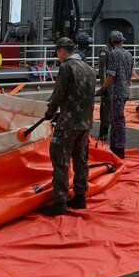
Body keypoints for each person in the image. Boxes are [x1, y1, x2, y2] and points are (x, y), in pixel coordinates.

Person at [43, 36, 94, 216]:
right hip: (86, 122)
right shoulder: (89, 69)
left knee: (61, 161)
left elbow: (58, 94)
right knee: (81, 160)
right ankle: (80, 198)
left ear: (62, 51)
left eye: (57, 53)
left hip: (68, 123)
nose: (58, 56)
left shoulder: (66, 68)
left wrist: (50, 112)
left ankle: (60, 203)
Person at [102, 31, 133, 159]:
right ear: (122, 40)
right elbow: (130, 74)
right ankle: (116, 146)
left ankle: (118, 148)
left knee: (117, 120)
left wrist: (103, 87)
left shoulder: (113, 54)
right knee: (117, 119)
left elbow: (111, 74)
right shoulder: (129, 54)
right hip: (125, 90)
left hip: (117, 92)